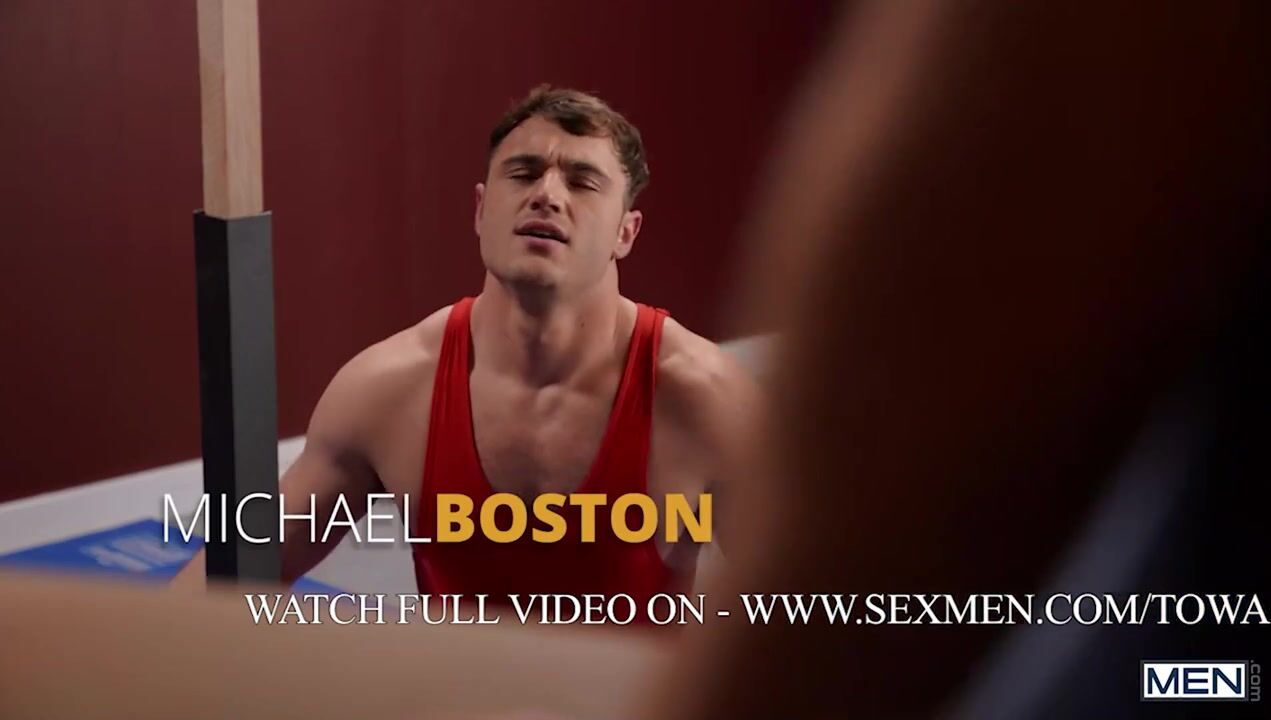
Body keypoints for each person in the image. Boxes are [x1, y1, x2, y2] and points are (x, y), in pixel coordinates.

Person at [173, 85, 756, 612]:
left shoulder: (704, 397)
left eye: (582, 181)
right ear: (480, 210)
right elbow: (229, 581)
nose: (547, 195)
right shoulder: (388, 390)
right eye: (523, 173)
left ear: (626, 233)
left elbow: (799, 618)